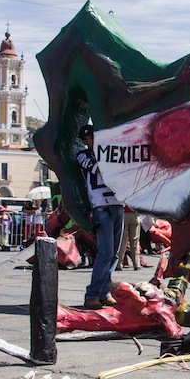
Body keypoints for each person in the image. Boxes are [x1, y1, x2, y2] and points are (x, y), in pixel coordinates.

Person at [77, 124, 125, 310]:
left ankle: (104, 291)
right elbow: (98, 169)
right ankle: (92, 294)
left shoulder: (109, 152)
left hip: (117, 203)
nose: (94, 140)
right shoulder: (83, 156)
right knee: (105, 253)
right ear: (84, 142)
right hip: (101, 205)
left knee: (113, 254)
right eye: (89, 138)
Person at [117, 205, 141, 271]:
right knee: (134, 241)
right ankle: (136, 264)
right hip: (134, 213)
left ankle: (119, 264)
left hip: (123, 213)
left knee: (122, 241)